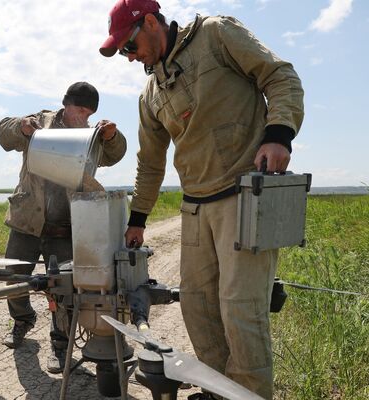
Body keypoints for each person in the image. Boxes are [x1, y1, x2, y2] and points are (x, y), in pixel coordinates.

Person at [100, 1, 303, 399]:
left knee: (240, 310)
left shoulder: (215, 34)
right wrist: (138, 218)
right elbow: (150, 163)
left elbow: (280, 75)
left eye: (129, 45)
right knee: (198, 307)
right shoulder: (150, 92)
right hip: (195, 207)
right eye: (123, 51)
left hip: (243, 197)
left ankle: (249, 395)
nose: (129, 57)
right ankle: (217, 389)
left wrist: (279, 134)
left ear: (152, 22)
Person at [0, 82, 127, 373]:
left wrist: (113, 136)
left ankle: (59, 344)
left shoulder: (89, 136)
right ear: (66, 105)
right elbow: (3, 132)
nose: (84, 117)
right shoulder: (39, 123)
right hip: (27, 220)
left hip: (64, 226)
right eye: (80, 109)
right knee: (14, 279)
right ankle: (22, 320)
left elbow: (114, 154)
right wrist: (21, 127)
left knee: (63, 288)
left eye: (89, 113)